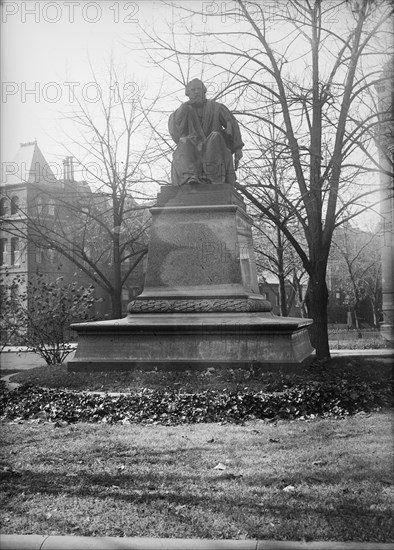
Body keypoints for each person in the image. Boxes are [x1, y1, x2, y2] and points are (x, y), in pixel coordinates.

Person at [168, 78, 244, 186]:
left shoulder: (217, 108)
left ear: (204, 91)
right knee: (184, 141)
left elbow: (232, 124)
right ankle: (190, 177)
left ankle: (212, 177)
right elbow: (175, 129)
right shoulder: (185, 109)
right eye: (193, 90)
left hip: (215, 146)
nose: (196, 92)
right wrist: (183, 107)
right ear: (188, 93)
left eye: (198, 89)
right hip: (193, 147)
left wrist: (237, 148)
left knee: (215, 136)